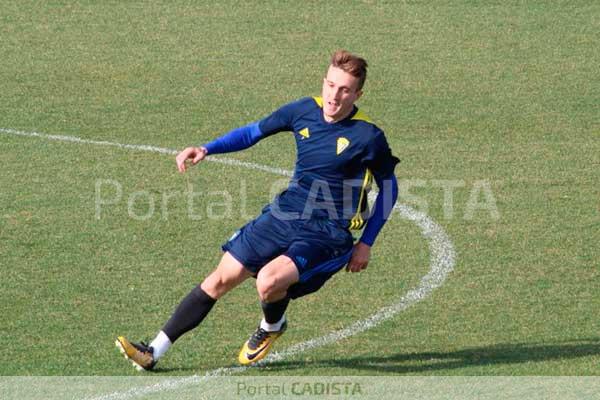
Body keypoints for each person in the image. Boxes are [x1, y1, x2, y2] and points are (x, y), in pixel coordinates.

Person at [116, 50, 399, 371]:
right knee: (221, 277)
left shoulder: (368, 136)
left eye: (345, 89)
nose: (334, 95)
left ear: (357, 94)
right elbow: (253, 132)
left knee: (268, 281)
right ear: (323, 82)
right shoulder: (303, 110)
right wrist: (207, 148)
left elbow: (390, 188)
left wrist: (367, 242)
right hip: (285, 214)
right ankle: (153, 351)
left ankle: (271, 327)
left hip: (328, 232)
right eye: (331, 85)